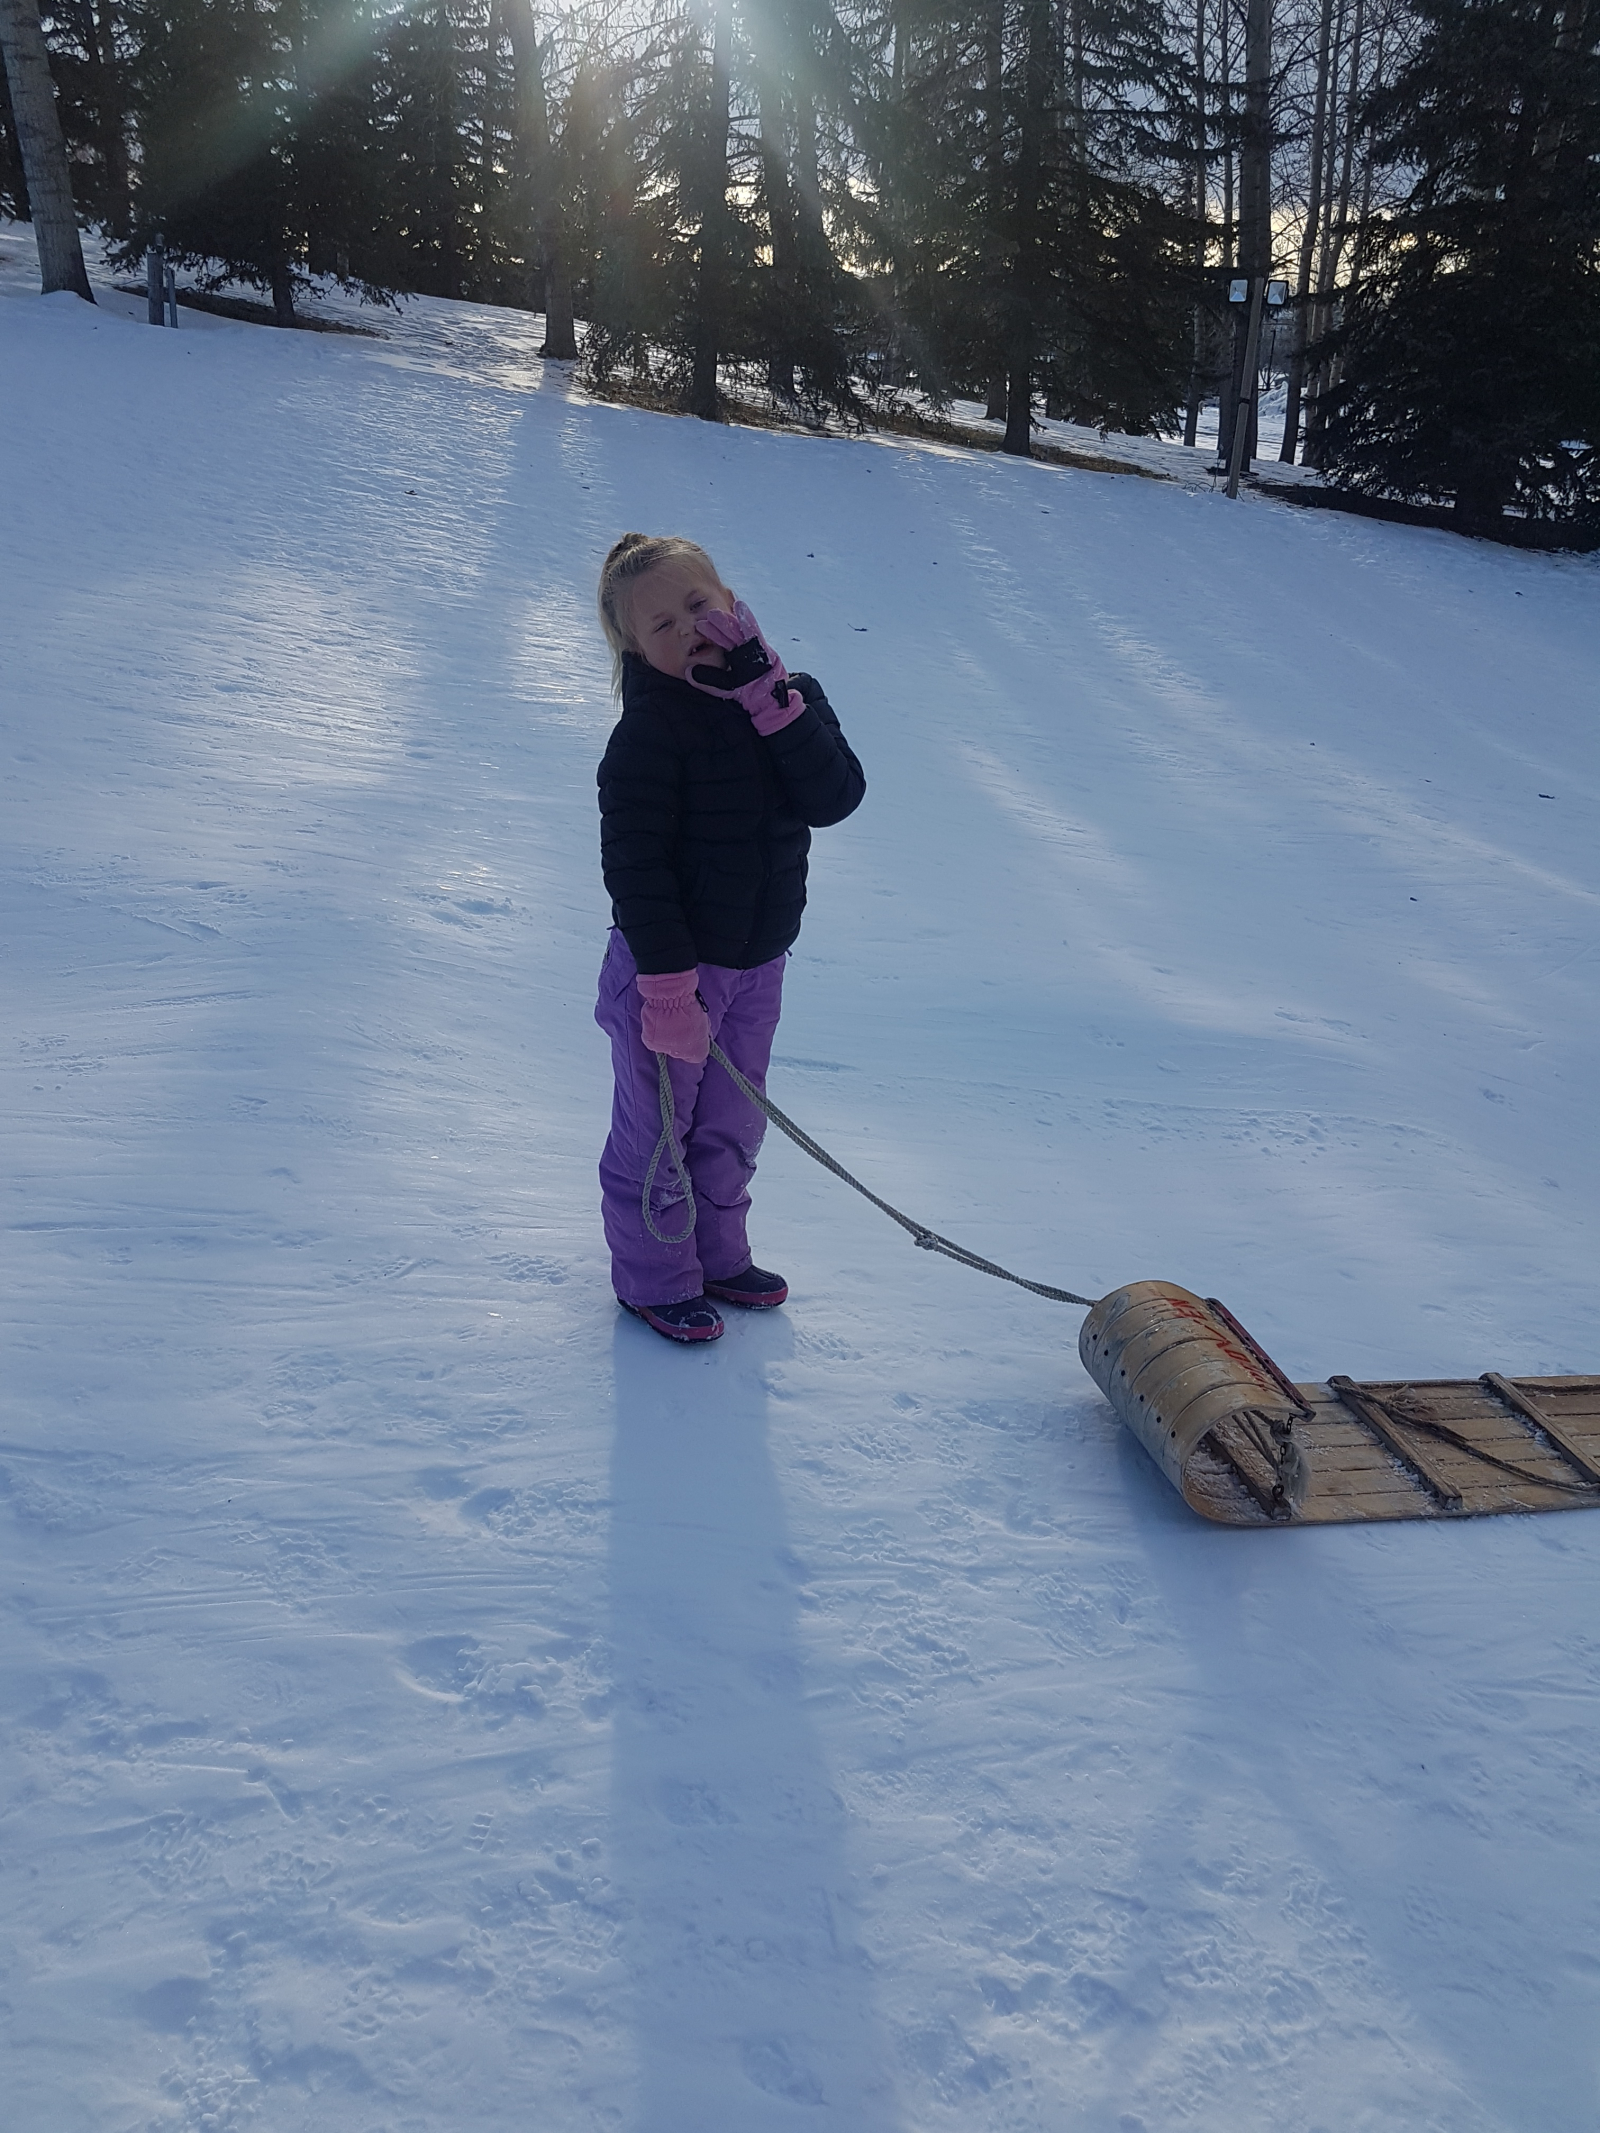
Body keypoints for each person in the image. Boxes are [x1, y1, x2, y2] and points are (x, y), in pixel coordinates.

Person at [594, 533, 866, 1343]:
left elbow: (836, 795)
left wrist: (770, 700)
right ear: (634, 648)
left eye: (697, 605)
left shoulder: (792, 695)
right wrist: (668, 986)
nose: (687, 629)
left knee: (731, 1125)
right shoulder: (647, 733)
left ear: (731, 601)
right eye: (661, 625)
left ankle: (716, 1255)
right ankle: (656, 1276)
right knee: (658, 1134)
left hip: (757, 965)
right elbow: (635, 868)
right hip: (667, 976)